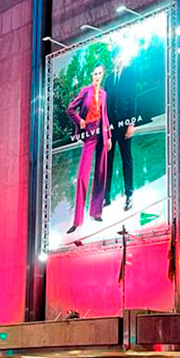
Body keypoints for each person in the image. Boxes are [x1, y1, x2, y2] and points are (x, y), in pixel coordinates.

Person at [66, 65, 111, 234]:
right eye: (95, 73)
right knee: (82, 176)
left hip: (103, 132)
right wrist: (80, 121)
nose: (97, 76)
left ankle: (96, 212)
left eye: (100, 73)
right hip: (90, 132)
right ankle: (77, 221)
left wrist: (109, 136)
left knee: (101, 172)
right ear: (92, 75)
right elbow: (70, 109)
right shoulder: (86, 90)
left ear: (103, 75)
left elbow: (105, 115)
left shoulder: (104, 94)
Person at [103, 52, 138, 211]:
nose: (117, 60)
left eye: (119, 57)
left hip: (124, 125)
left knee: (126, 159)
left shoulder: (130, 73)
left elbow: (133, 98)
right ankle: (106, 197)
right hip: (110, 127)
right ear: (112, 60)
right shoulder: (108, 80)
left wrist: (131, 124)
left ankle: (129, 196)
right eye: (114, 58)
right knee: (107, 162)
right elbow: (104, 107)